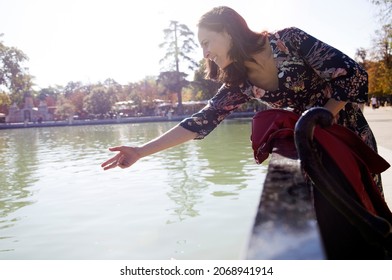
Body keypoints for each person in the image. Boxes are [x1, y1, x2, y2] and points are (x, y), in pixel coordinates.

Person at [101, 6, 382, 194]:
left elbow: (352, 74)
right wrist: (139, 151)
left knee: (368, 214)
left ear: (227, 31)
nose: (205, 54)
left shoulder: (289, 40)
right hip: (310, 150)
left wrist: (321, 117)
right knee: (327, 228)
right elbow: (201, 121)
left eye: (206, 42)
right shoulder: (239, 82)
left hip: (349, 138)